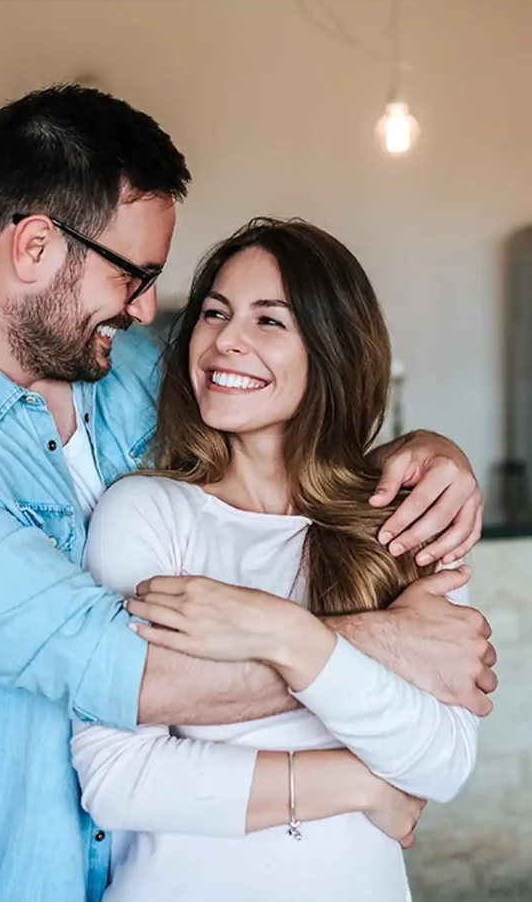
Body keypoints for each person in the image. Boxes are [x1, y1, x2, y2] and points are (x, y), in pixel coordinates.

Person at [0, 86, 494, 902]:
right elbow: (126, 672)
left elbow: (280, 432)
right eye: (134, 275)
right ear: (35, 247)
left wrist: (428, 453)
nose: (147, 309)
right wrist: (386, 645)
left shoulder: (126, 370)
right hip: (14, 879)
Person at [72, 218, 481, 902]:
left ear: (333, 351)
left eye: (269, 321)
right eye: (214, 313)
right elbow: (117, 779)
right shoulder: (146, 513)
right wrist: (359, 782)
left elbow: (443, 763)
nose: (226, 339)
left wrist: (282, 632)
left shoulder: (404, 520)